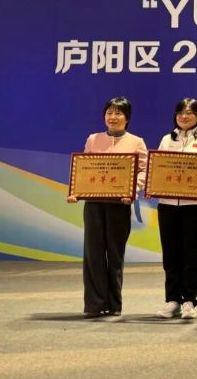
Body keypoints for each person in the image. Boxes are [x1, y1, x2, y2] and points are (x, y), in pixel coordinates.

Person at [67, 97, 147, 318]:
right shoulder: (93, 139)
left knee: (115, 254)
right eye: (109, 113)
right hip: (94, 204)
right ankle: (94, 304)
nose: (113, 117)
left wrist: (132, 190)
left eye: (118, 113)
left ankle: (114, 304)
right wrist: (76, 191)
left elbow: (143, 171)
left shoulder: (136, 142)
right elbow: (84, 170)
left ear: (127, 118)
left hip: (119, 205)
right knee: (92, 253)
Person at [152, 98, 197, 320]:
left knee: (192, 255)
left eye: (190, 112)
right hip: (167, 205)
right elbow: (159, 169)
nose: (184, 116)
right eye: (180, 112)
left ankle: (189, 301)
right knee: (170, 255)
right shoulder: (167, 140)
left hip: (195, 206)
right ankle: (172, 300)